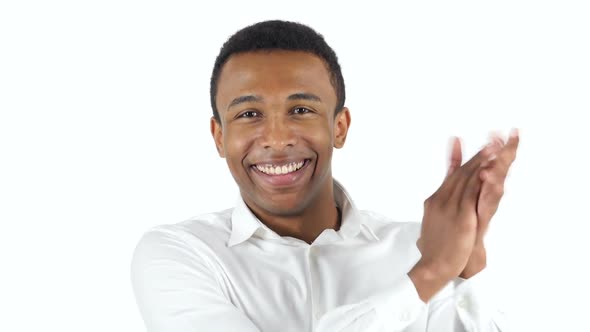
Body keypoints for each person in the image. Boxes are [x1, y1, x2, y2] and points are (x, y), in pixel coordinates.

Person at [131, 20, 519, 331]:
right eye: (249, 114)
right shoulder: (180, 255)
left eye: (300, 110)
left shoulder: (419, 247)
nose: (278, 139)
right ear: (219, 137)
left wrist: (468, 266)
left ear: (339, 127)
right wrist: (427, 277)